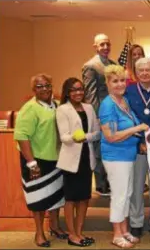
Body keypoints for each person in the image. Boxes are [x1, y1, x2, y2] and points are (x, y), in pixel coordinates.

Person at [98, 65, 149, 248]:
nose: (120, 84)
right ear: (108, 83)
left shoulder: (124, 100)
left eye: (122, 80)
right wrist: (137, 128)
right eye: (115, 81)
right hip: (115, 156)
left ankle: (125, 229)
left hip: (128, 155)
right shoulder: (107, 105)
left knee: (127, 194)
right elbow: (111, 136)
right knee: (119, 195)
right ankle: (116, 234)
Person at [14, 73, 66, 247]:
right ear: (33, 90)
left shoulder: (57, 105)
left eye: (47, 85)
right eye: (39, 86)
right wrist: (31, 163)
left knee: (56, 196)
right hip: (36, 161)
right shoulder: (29, 108)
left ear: (52, 86)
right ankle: (39, 233)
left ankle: (55, 226)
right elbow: (22, 136)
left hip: (56, 159)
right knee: (38, 199)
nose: (44, 89)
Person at [56, 77, 100, 247]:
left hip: (86, 159)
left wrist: (85, 137)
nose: (78, 92)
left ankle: (80, 232)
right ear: (68, 92)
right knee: (71, 199)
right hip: (70, 161)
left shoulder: (89, 108)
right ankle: (72, 234)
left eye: (80, 89)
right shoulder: (62, 110)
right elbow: (64, 137)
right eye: (74, 90)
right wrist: (75, 137)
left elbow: (97, 133)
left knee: (84, 198)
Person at [125, 57, 150, 237]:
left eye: (148, 70)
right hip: (135, 145)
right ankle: (136, 222)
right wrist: (140, 141)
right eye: (141, 71)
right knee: (136, 186)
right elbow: (125, 117)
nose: (145, 73)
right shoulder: (128, 91)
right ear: (136, 74)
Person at [83, 33, 116, 196]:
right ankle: (101, 184)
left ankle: (110, 181)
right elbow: (90, 94)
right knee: (100, 149)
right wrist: (97, 117)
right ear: (95, 47)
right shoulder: (91, 66)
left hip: (113, 112)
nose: (105, 47)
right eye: (102, 44)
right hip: (100, 113)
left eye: (107, 44)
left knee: (111, 148)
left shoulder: (112, 63)